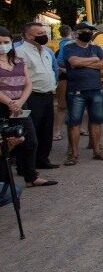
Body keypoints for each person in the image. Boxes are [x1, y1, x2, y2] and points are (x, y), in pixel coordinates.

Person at [0, 27, 56, 187]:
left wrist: (19, 101)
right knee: (5, 145)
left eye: (6, 42)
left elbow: (28, 83)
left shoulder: (18, 61)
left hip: (20, 105)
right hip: (3, 107)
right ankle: (5, 183)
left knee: (30, 141)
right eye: (0, 42)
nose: (3, 45)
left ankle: (31, 177)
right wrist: (10, 102)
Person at [62, 21, 103, 165]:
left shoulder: (97, 48)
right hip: (76, 90)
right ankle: (73, 154)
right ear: (77, 33)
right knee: (74, 123)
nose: (88, 33)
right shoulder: (69, 47)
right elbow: (74, 62)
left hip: (95, 89)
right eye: (85, 30)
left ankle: (97, 151)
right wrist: (94, 60)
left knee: (96, 121)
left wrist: (85, 62)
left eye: (90, 30)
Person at [16, 22, 59, 169]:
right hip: (32, 96)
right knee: (31, 131)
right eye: (39, 34)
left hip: (47, 95)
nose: (44, 36)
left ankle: (42, 160)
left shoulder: (45, 51)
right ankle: (25, 165)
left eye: (44, 32)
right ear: (28, 35)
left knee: (46, 130)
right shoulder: (20, 52)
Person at [53, 24, 74, 141]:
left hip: (65, 79)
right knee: (63, 106)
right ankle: (57, 132)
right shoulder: (71, 46)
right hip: (66, 79)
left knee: (64, 106)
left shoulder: (58, 50)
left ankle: (57, 132)